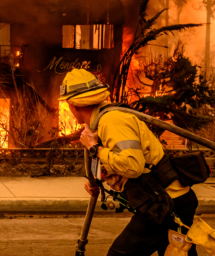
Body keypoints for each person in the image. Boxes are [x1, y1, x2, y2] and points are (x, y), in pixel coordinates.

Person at [60, 68, 198, 256]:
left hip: (166, 203)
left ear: (72, 105)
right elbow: (118, 159)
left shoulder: (112, 121)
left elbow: (133, 166)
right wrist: (97, 180)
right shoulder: (99, 122)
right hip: (166, 199)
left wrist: (94, 148)